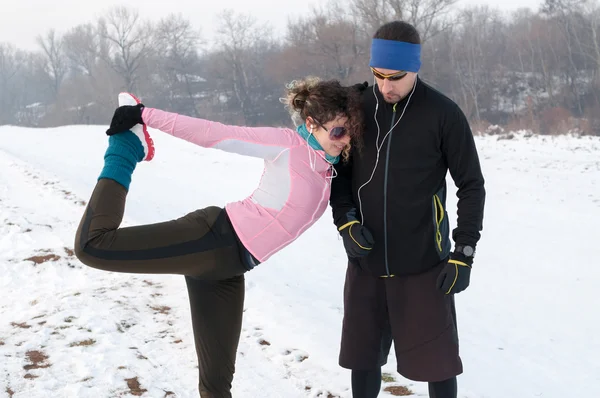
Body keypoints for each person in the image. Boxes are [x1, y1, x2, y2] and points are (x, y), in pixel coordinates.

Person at [73, 76, 363, 397]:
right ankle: (126, 147)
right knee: (92, 246)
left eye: (350, 131)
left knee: (216, 386)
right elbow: (215, 135)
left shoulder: (329, 163)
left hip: (229, 269)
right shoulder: (286, 144)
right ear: (311, 123)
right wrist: (145, 115)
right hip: (213, 237)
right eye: (338, 131)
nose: (345, 139)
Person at [329, 21, 486, 398]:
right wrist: (346, 223)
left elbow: (471, 186)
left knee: (439, 366)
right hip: (366, 263)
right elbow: (337, 175)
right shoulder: (357, 108)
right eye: (378, 75)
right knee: (363, 361)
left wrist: (463, 253)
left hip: (424, 266)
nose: (386, 86)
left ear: (415, 66)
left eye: (396, 77)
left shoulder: (443, 114)